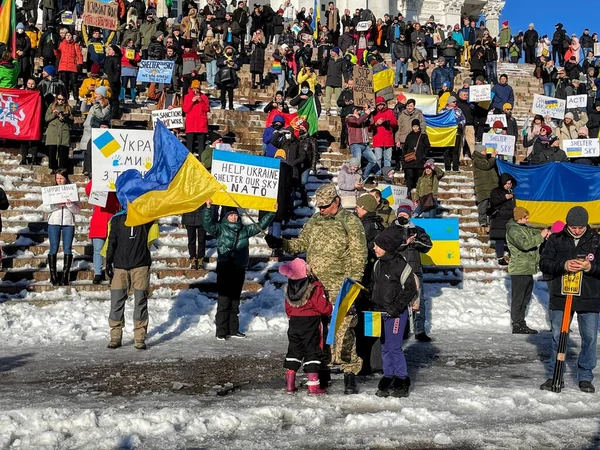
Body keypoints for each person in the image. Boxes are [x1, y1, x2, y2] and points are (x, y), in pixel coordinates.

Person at [265, 183, 367, 394]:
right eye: (319, 206)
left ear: (336, 201)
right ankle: (324, 368)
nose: (321, 209)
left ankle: (350, 372)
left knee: (344, 329)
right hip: (316, 287)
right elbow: (300, 244)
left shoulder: (350, 221)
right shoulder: (315, 220)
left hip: (341, 285)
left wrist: (353, 285)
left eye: (325, 206)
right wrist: (280, 243)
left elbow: (359, 256)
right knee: (319, 331)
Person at [539, 206, 600, 393]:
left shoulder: (596, 240)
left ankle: (585, 377)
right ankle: (555, 374)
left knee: (589, 338)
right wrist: (564, 265)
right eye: (573, 226)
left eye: (581, 227)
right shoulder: (556, 239)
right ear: (567, 223)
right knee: (558, 336)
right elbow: (544, 263)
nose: (577, 230)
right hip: (561, 296)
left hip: (589, 296)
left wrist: (590, 267)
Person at [203, 201, 274, 340]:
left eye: (235, 215)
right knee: (224, 300)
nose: (233, 217)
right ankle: (221, 331)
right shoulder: (220, 229)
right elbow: (208, 225)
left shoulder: (244, 230)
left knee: (235, 300)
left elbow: (261, 226)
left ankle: (233, 329)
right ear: (226, 217)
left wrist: (272, 212)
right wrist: (208, 209)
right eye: (231, 215)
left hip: (239, 268)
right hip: (225, 267)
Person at [370, 231, 419, 398]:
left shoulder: (401, 265)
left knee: (394, 347)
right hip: (380, 312)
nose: (374, 248)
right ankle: (388, 375)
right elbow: (374, 286)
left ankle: (401, 378)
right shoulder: (377, 264)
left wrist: (396, 308)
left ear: (386, 247)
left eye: (377, 245)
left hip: (396, 314)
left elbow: (410, 288)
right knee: (384, 347)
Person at [280, 258, 333, 395]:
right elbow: (322, 307)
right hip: (311, 323)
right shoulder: (314, 286)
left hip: (294, 323)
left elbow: (288, 308)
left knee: (294, 350)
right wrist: (331, 309)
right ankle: (313, 387)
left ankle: (290, 386)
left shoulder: (290, 287)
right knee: (312, 351)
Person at [105, 212, 156, 350]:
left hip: (140, 265)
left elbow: (156, 211)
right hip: (120, 266)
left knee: (140, 300)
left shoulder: (145, 217)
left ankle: (139, 337)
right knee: (116, 301)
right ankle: (115, 336)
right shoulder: (117, 219)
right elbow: (112, 240)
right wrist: (108, 261)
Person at [506, 206, 550, 334]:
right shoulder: (513, 230)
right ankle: (516, 323)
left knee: (525, 298)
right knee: (518, 298)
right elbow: (525, 245)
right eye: (526, 217)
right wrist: (541, 237)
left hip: (527, 269)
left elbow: (533, 233)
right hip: (519, 269)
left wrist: (544, 233)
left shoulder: (523, 227)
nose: (528, 219)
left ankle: (521, 322)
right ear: (519, 218)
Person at [43, 170, 81, 286]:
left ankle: (65, 275)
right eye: (57, 178)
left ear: (66, 178)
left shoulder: (72, 191)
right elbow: (45, 208)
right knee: (53, 248)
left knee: (67, 248)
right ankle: (53, 275)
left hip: (68, 223)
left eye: (61, 178)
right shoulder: (51, 191)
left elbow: (78, 209)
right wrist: (55, 205)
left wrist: (69, 204)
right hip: (54, 222)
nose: (59, 181)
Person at [85, 181, 120, 284]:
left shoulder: (115, 188)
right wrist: (96, 176)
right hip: (99, 221)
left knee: (113, 249)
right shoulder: (97, 186)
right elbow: (88, 189)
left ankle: (111, 272)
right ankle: (98, 273)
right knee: (98, 250)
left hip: (112, 220)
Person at [490, 173, 517, 266]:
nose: (509, 185)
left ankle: (513, 257)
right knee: (500, 239)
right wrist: (505, 198)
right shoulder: (495, 191)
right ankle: (500, 257)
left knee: (511, 239)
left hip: (510, 219)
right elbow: (493, 202)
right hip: (499, 219)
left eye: (510, 183)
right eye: (507, 183)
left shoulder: (512, 192)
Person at [346, 105, 378, 180]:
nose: (360, 111)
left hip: (364, 143)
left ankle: (363, 177)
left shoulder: (362, 118)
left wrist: (370, 113)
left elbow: (371, 123)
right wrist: (366, 114)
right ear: (354, 110)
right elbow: (357, 122)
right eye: (358, 110)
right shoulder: (349, 118)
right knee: (356, 163)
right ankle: (354, 179)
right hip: (355, 143)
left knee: (373, 160)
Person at [472, 144, 498, 231]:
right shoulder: (477, 160)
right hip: (483, 186)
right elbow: (486, 166)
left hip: (490, 185)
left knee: (491, 204)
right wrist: (493, 158)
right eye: (484, 150)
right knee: (483, 204)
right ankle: (482, 221)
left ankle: (491, 220)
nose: (486, 152)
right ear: (480, 151)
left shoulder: (485, 159)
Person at [44, 92, 73, 173]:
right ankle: (53, 168)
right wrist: (54, 115)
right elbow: (46, 118)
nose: (60, 101)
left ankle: (62, 168)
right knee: (52, 150)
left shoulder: (68, 108)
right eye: (59, 99)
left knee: (63, 150)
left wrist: (63, 117)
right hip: (53, 131)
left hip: (63, 131)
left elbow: (71, 120)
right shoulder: (51, 106)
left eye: (62, 100)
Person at [183, 80, 210, 156]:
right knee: (189, 146)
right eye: (194, 88)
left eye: (197, 88)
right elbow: (185, 109)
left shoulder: (204, 97)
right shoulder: (187, 97)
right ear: (191, 88)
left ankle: (201, 162)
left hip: (201, 125)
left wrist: (201, 101)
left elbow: (207, 109)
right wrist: (192, 101)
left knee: (201, 147)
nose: (196, 90)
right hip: (191, 124)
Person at [402, 119, 429, 194]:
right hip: (409, 161)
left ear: (419, 127)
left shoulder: (423, 136)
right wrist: (403, 160)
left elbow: (427, 147)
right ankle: (408, 192)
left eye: (417, 126)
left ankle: (418, 193)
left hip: (419, 161)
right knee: (409, 177)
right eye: (414, 126)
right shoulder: (409, 136)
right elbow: (405, 148)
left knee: (419, 177)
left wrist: (424, 155)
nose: (415, 128)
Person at [372, 97, 397, 172]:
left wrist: (388, 122)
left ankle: (387, 174)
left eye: (382, 105)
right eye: (379, 105)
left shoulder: (389, 111)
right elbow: (369, 126)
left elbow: (395, 123)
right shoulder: (374, 113)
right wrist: (376, 124)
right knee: (378, 158)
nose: (380, 106)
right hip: (378, 139)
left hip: (388, 138)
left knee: (388, 159)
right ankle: (378, 174)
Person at [216, 46, 240, 110]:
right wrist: (224, 62)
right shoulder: (222, 57)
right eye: (228, 50)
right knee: (223, 93)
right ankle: (223, 105)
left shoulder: (234, 58)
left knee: (231, 94)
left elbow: (238, 67)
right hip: (223, 77)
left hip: (231, 78)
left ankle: (231, 106)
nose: (229, 51)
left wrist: (233, 64)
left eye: (230, 50)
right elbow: (218, 63)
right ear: (225, 51)